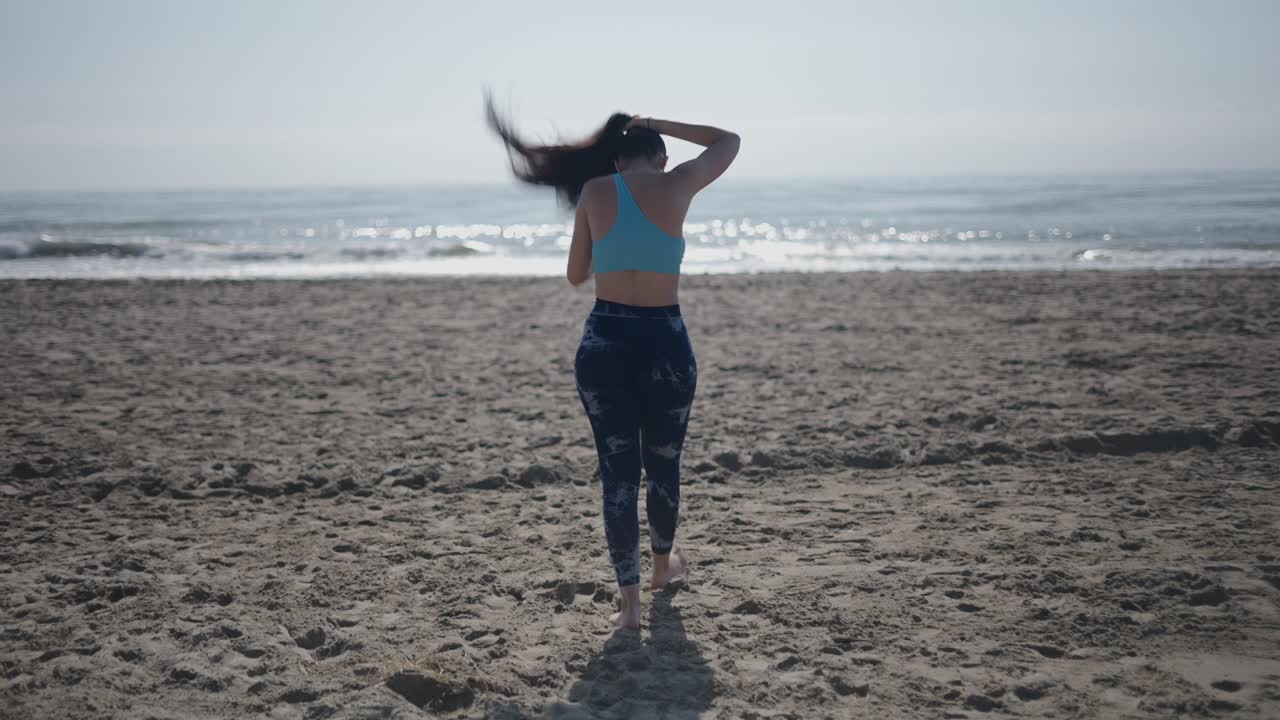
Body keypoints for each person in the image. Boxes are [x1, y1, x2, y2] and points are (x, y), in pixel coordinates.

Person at [487, 98, 740, 629]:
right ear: (663, 157)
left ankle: (628, 607)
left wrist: (612, 239)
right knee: (664, 464)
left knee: (618, 477)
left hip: (605, 342)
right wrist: (653, 122)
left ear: (617, 162)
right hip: (664, 341)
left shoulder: (596, 192)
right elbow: (727, 141)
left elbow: (577, 275)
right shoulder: (677, 186)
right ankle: (663, 568)